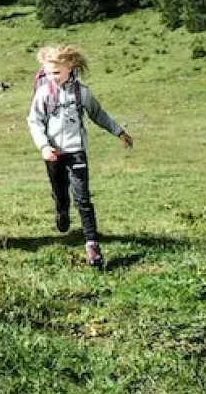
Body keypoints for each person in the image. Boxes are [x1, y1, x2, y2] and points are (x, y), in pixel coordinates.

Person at [26, 45, 133, 269]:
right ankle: (61, 211)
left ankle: (92, 244)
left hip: (76, 151)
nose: (52, 77)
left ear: (70, 68)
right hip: (53, 154)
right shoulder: (44, 93)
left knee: (83, 198)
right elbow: (34, 121)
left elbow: (98, 114)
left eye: (56, 73)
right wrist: (44, 146)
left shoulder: (81, 92)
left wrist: (119, 132)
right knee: (60, 194)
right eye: (47, 73)